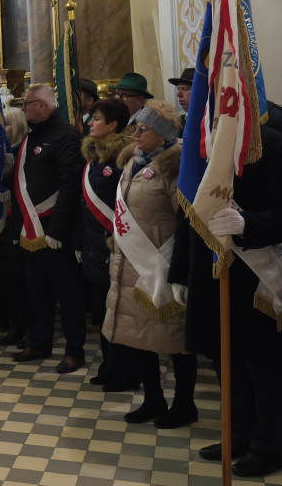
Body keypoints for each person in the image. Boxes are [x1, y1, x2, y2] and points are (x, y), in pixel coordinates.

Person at [170, 122, 282, 477]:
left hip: (256, 282)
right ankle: (239, 434)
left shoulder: (276, 146)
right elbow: (188, 212)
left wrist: (247, 224)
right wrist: (178, 272)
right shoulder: (203, 145)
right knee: (225, 366)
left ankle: (269, 448)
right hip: (211, 278)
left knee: (263, 370)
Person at [104, 101, 197, 427]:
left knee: (176, 341)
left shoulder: (176, 166)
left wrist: (178, 265)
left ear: (163, 134)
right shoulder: (133, 160)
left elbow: (187, 219)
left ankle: (185, 404)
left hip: (162, 265)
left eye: (143, 129)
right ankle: (153, 398)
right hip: (132, 264)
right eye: (137, 127)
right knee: (139, 337)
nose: (136, 133)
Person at [12, 84, 87, 374]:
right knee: (37, 290)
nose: (23, 109)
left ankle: (74, 350)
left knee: (68, 293)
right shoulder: (33, 137)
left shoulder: (67, 136)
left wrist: (57, 230)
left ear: (43, 105)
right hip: (32, 230)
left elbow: (70, 187)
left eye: (27, 103)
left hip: (57, 231)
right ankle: (39, 341)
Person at [79, 97, 138, 392]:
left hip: (116, 246)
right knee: (102, 312)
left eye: (97, 119)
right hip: (94, 246)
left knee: (119, 311)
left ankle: (126, 371)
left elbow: (125, 205)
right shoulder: (93, 156)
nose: (90, 123)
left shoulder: (123, 158)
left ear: (114, 124)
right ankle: (109, 364)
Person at [0, 107, 28, 345]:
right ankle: (14, 323)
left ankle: (23, 326)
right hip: (3, 225)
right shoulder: (1, 152)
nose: (3, 129)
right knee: (8, 279)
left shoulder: (23, 153)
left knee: (21, 281)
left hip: (21, 223)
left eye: (7, 124)